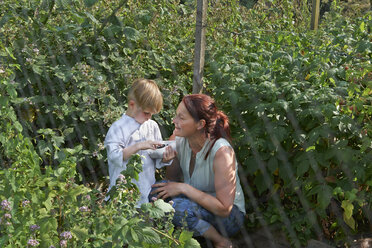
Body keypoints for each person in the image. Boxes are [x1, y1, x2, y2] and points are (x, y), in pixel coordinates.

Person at [151, 94, 245, 248]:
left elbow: (224, 209)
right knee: (156, 192)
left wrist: (184, 188)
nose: (174, 121)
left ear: (200, 124)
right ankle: (197, 231)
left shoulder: (221, 151)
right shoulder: (179, 138)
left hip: (229, 217)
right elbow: (171, 181)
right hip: (196, 204)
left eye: (181, 118)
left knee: (177, 209)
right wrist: (171, 160)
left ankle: (220, 241)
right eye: (176, 116)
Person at [104, 78, 175, 207]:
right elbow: (114, 156)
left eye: (152, 114)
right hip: (122, 194)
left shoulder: (151, 126)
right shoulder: (118, 127)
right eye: (147, 112)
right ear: (132, 105)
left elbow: (156, 159)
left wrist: (165, 158)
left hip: (146, 191)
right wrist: (139, 145)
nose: (149, 117)